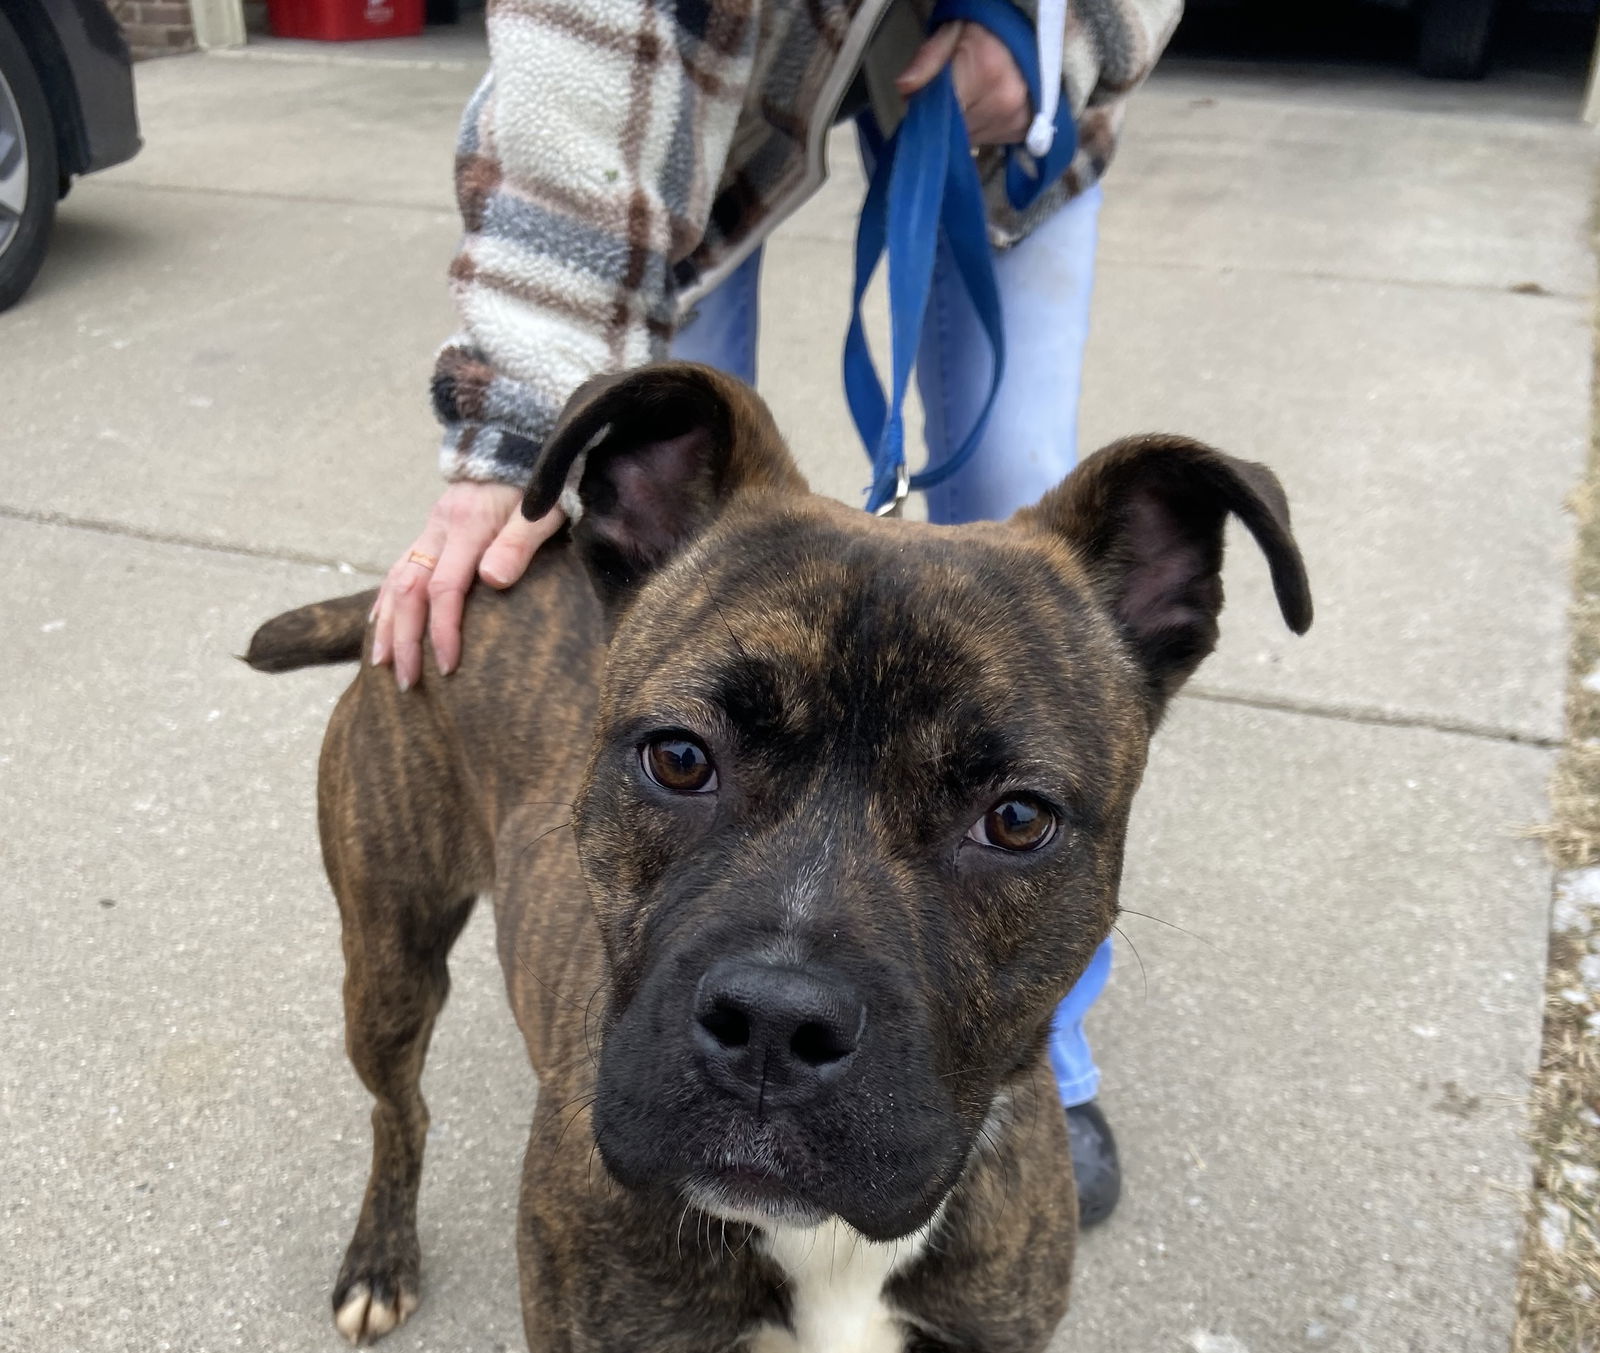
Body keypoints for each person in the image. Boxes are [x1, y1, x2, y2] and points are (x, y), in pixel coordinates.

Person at [374, 0, 1183, 1225]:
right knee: (693, 453)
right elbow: (579, 45)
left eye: (1010, 820)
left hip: (1014, 91)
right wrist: (520, 425)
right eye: (683, 760)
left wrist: (1070, 43)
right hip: (703, 100)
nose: (784, 995)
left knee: (1020, 485)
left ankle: (1035, 1066)